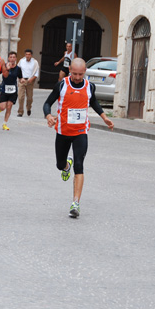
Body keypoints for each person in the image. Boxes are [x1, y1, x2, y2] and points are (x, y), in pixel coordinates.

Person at [43, 58, 114, 218]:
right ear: (69, 70)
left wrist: (104, 117)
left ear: (85, 73)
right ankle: (66, 165)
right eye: (74, 73)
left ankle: (75, 203)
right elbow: (47, 103)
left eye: (80, 74)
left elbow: (93, 102)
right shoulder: (62, 85)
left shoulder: (90, 86)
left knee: (80, 165)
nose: (77, 77)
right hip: (63, 132)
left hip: (81, 132)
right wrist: (48, 115)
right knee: (59, 165)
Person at [0, 51, 22, 131]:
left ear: (16, 58)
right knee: (3, 107)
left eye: (14, 57)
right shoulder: (4, 66)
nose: (12, 59)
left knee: (9, 106)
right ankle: (0, 107)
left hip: (13, 90)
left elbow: (20, 77)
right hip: (4, 89)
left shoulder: (18, 69)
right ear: (8, 58)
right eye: (10, 57)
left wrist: (22, 80)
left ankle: (4, 123)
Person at [17, 49, 39, 117]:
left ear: (31, 55)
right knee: (20, 97)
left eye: (29, 54)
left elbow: (36, 73)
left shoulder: (35, 62)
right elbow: (18, 70)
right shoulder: (21, 61)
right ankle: (20, 112)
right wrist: (20, 78)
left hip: (30, 81)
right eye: (26, 54)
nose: (27, 56)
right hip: (22, 80)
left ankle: (28, 108)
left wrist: (32, 79)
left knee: (29, 98)